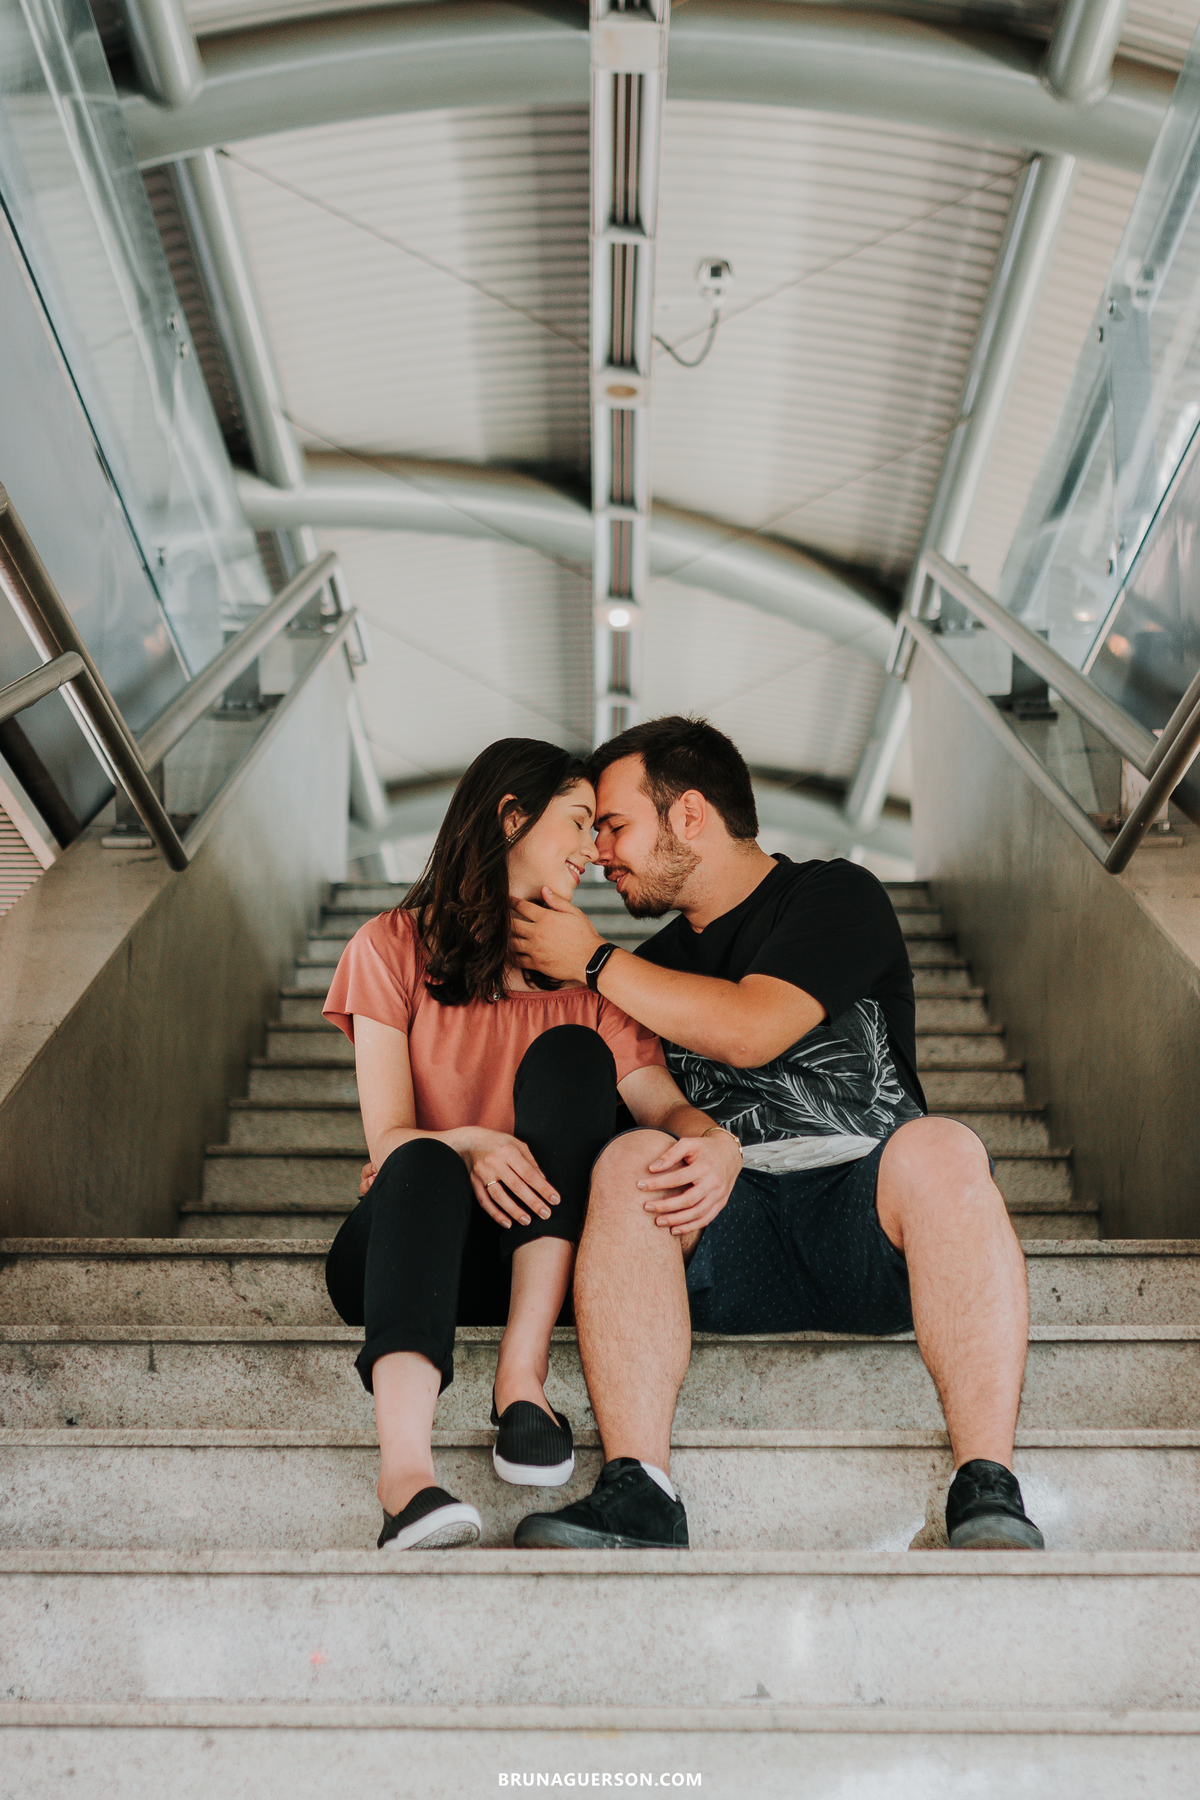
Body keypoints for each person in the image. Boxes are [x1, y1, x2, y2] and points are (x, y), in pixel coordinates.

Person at [508, 715, 1044, 1553]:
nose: (600, 851)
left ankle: (987, 1484)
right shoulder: (642, 966)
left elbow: (751, 1029)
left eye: (614, 825)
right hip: (724, 1231)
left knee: (944, 1146)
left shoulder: (836, 895)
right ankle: (639, 1491)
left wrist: (596, 961)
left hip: (864, 1225)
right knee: (630, 1158)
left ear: (689, 815)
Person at [322, 737, 741, 1552]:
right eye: (580, 822)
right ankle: (404, 1481)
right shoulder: (389, 946)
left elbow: (662, 1108)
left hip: (539, 1269)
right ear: (512, 817)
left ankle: (522, 1376)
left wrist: (716, 1142)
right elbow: (390, 1138)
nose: (595, 849)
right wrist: (473, 1143)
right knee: (425, 1159)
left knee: (573, 1056)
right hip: (415, 1250)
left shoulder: (593, 989)